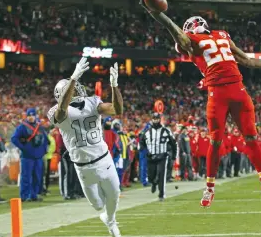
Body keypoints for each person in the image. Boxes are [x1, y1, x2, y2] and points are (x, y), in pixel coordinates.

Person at [140, 0, 261, 208]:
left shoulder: (222, 35)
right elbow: (175, 32)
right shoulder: (190, 41)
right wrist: (156, 13)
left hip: (238, 90)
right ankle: (210, 187)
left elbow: (248, 60)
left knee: (251, 137)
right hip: (219, 93)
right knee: (216, 140)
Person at [47, 58, 123, 237]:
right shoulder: (55, 111)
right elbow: (62, 113)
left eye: (76, 86)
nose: (77, 90)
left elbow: (116, 110)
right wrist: (72, 79)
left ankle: (111, 221)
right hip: (83, 167)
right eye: (72, 89)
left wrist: (114, 86)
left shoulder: (93, 102)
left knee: (114, 196)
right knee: (97, 205)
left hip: (104, 159)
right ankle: (105, 215)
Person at [11, 108, 48, 202]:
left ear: (36, 116)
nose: (31, 117)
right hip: (27, 156)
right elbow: (14, 138)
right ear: (26, 116)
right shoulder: (22, 127)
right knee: (26, 177)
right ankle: (25, 196)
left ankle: (33, 195)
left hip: (38, 156)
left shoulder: (40, 127)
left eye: (32, 115)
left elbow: (45, 140)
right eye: (29, 115)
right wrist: (23, 148)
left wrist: (43, 150)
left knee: (37, 177)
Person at [140, 113, 177, 201]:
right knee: (151, 176)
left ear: (159, 119)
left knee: (161, 175)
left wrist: (174, 155)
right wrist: (142, 150)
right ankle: (153, 182)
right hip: (151, 156)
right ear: (152, 120)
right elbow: (141, 142)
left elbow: (173, 143)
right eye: (154, 119)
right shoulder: (147, 131)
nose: (155, 120)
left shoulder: (166, 130)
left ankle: (161, 194)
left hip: (163, 156)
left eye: (157, 119)